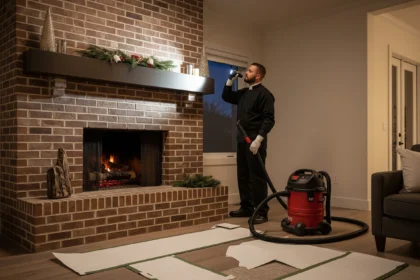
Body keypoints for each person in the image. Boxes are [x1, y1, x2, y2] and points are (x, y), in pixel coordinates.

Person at [222, 63, 275, 224]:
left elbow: (269, 120)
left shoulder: (265, 95)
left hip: (255, 142)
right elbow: (227, 97)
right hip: (242, 139)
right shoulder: (244, 92)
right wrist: (229, 80)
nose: (246, 73)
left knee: (257, 177)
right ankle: (246, 207)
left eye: (250, 71)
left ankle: (261, 211)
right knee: (243, 175)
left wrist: (258, 140)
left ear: (258, 76)